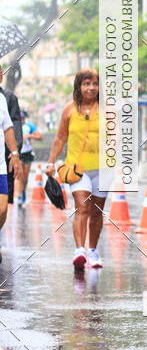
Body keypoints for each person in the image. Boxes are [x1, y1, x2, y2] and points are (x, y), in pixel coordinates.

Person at [46, 69, 105, 269]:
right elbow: (60, 138)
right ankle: (79, 250)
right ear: (79, 86)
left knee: (97, 211)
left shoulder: (107, 110)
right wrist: (51, 162)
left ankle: (93, 251)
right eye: (86, 84)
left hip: (102, 168)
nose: (91, 88)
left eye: (94, 84)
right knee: (83, 207)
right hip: (77, 168)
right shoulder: (69, 110)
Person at [0, 89, 23, 262]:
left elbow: (9, 127)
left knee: (2, 209)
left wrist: (15, 154)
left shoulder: (4, 99)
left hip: (0, 164)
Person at [0, 65, 23, 207]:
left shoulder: (8, 98)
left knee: (3, 206)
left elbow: (14, 125)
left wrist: (15, 152)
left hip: (4, 156)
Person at [15, 109, 42, 206]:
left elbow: (39, 137)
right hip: (18, 154)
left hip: (27, 153)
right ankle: (18, 197)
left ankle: (23, 194)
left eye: (22, 117)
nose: (21, 119)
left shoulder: (29, 126)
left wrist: (29, 135)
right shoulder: (13, 125)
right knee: (19, 175)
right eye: (19, 117)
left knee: (25, 177)